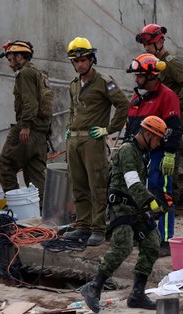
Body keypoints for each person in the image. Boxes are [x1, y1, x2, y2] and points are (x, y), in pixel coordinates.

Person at [80, 116, 169, 313]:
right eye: (156, 139)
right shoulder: (129, 151)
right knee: (124, 244)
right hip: (121, 206)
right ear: (147, 134)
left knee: (152, 241)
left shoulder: (141, 153)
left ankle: (137, 294)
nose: (157, 144)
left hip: (134, 207)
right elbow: (132, 182)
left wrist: (150, 203)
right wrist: (151, 202)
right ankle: (94, 287)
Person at [61, 37, 129, 246]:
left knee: (96, 185)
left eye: (83, 59)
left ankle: (98, 228)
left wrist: (109, 129)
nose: (79, 64)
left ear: (91, 59)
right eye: (75, 61)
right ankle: (83, 225)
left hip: (92, 140)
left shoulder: (103, 81)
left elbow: (123, 105)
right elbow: (73, 109)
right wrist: (69, 129)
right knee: (78, 185)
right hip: (74, 141)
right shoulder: (73, 85)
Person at [123, 53, 183, 257]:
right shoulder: (137, 97)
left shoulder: (168, 96)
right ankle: (142, 235)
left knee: (160, 192)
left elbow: (174, 128)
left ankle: (165, 238)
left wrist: (169, 153)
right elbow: (131, 126)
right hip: (139, 155)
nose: (136, 79)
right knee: (137, 194)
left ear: (151, 76)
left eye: (139, 75)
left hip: (159, 153)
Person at [136, 23, 183, 209]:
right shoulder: (151, 64)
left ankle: (170, 206)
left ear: (160, 42)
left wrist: (176, 105)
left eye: (150, 44)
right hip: (153, 124)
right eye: (145, 45)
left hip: (169, 121)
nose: (147, 48)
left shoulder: (170, 63)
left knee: (169, 167)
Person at [0, 40, 51, 204]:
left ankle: (17, 208)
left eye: (10, 58)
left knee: (5, 165)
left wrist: (25, 126)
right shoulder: (38, 73)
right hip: (41, 131)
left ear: (19, 57)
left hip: (28, 128)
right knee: (34, 173)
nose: (9, 64)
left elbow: (31, 103)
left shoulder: (25, 73)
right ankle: (42, 212)